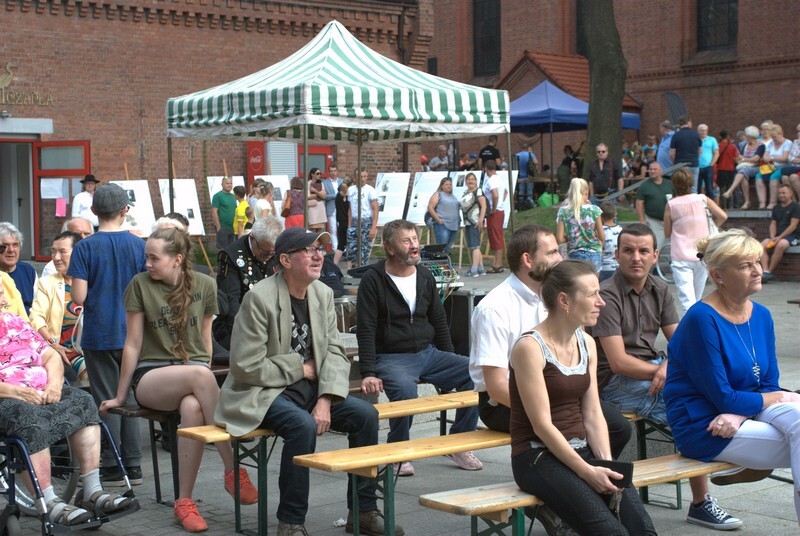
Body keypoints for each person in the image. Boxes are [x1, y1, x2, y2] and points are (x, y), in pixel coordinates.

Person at [216, 227, 402, 536]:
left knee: (366, 415)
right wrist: (300, 369)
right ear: (285, 260)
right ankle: (290, 522)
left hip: (312, 390)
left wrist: (325, 399)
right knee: (301, 426)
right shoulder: (258, 298)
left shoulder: (322, 293)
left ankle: (363, 511)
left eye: (321, 250)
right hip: (264, 391)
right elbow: (246, 366)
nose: (319, 256)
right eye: (309, 250)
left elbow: (335, 352)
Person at [470, 226, 632, 535]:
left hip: (556, 395)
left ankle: (577, 489)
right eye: (553, 252)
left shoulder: (555, 297)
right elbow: (495, 386)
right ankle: (561, 496)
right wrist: (550, 407)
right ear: (528, 260)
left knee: (617, 425)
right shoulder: (494, 307)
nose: (561, 258)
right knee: (567, 427)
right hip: (502, 405)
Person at [99, 226, 257, 532]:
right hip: (151, 376)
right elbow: (132, 343)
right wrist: (120, 396)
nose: (147, 264)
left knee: (193, 408)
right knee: (201, 374)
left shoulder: (205, 284)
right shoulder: (140, 285)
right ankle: (232, 468)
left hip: (193, 373)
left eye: (154, 258)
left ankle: (184, 502)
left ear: (177, 259)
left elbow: (206, 340)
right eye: (146, 257)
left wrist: (202, 377)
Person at [593, 223, 741, 530]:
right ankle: (703, 499)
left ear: (654, 256)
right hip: (613, 385)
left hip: (652, 372)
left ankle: (724, 463)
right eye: (628, 250)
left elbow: (683, 343)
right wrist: (666, 369)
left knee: (711, 384)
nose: (636, 257)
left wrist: (670, 365)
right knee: (690, 407)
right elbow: (618, 362)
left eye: (643, 251)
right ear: (617, 255)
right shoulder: (606, 294)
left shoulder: (659, 288)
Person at [664, 229, 800, 528]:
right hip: (704, 425)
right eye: (745, 266)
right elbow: (723, 396)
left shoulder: (761, 315)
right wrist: (772, 399)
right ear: (718, 275)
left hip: (741, 413)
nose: (757, 270)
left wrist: (740, 413)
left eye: (757, 261)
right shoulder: (702, 319)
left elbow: (768, 383)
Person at [510, 260, 656, 536]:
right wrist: (588, 472)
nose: (601, 302)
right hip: (536, 456)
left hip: (581, 449)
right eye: (592, 295)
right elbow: (542, 426)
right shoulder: (529, 347)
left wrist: (606, 464)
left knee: (643, 529)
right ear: (564, 301)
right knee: (612, 532)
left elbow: (592, 412)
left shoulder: (586, 342)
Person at [0, 289, 135, 526]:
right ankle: (49, 502)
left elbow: (51, 356)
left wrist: (53, 384)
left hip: (42, 391)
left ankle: (92, 491)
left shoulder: (14, 321)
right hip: (8, 397)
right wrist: (17, 392)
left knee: (83, 402)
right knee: (28, 418)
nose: (3, 296)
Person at [357, 220, 481, 476]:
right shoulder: (373, 280)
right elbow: (366, 328)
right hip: (391, 357)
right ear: (390, 248)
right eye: (406, 241)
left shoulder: (424, 275)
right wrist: (368, 371)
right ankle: (399, 451)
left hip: (428, 354)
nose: (414, 245)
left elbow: (438, 320)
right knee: (405, 391)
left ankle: (459, 442)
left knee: (476, 372)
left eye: (415, 239)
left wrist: (449, 356)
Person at [68, 183, 146, 487]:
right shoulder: (139, 246)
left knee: (106, 398)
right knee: (131, 396)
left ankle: (113, 464)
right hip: (134, 333)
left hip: (99, 332)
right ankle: (134, 464)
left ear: (93, 210)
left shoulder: (84, 247)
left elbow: (78, 296)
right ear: (125, 210)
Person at [664, 167, 727, 313]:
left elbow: (667, 232)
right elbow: (723, 216)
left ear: (674, 184)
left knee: (687, 300)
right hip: (702, 253)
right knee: (696, 299)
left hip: (680, 256)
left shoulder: (671, 205)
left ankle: (692, 324)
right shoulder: (702, 199)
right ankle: (696, 323)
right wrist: (711, 227)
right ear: (691, 182)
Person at [214, 217, 283, 350]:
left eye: (273, 253)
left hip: (272, 323)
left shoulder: (277, 252)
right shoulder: (231, 256)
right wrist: (251, 335)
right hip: (240, 325)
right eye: (264, 252)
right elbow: (231, 302)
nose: (269, 257)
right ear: (252, 238)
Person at [29, 231, 88, 383]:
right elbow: (36, 317)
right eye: (53, 252)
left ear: (78, 253)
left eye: (62, 252)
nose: (56, 257)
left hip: (93, 348)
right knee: (88, 372)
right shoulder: (47, 283)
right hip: (64, 350)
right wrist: (52, 344)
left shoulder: (92, 281)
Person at [556, 178, 605, 272]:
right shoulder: (595, 210)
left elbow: (559, 239)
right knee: (593, 280)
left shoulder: (563, 211)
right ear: (586, 193)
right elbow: (602, 236)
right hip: (594, 253)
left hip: (574, 254)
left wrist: (570, 237)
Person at [760, 183, 800, 282]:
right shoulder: (776, 208)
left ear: (790, 194)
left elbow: (793, 226)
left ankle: (769, 272)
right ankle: (765, 271)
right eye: (779, 193)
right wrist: (773, 237)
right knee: (761, 245)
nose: (781, 195)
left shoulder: (796, 207)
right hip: (778, 236)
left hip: (793, 237)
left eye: (784, 193)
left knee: (781, 244)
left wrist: (780, 237)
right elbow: (773, 224)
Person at [721, 125, 764, 210]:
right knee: (743, 175)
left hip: (756, 167)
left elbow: (756, 159)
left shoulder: (761, 146)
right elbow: (740, 156)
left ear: (751, 136)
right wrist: (741, 159)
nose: (746, 138)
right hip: (746, 168)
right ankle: (747, 201)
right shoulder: (745, 145)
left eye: (747, 136)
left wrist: (744, 159)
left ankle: (730, 190)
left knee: (743, 170)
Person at [0, 222, 39, 314]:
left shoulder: (28, 270)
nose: (11, 250)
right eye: (5, 246)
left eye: (15, 245)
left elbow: (38, 307)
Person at [636, 161, 675, 250]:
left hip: (671, 221)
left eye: (655, 169)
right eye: (650, 169)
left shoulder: (670, 184)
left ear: (661, 171)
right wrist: (642, 220)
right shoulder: (644, 185)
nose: (652, 171)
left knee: (676, 246)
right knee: (655, 246)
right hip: (654, 221)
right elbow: (639, 203)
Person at [346, 170, 378, 269]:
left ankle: (363, 272)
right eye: (360, 176)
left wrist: (373, 228)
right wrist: (349, 225)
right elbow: (350, 208)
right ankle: (352, 271)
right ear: (355, 177)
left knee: (363, 252)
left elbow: (375, 209)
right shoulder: (351, 190)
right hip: (354, 223)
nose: (363, 179)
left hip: (366, 223)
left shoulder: (370, 190)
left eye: (365, 176)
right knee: (352, 251)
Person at [459, 172, 486, 277]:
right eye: (468, 179)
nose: (470, 181)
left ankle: (474, 269)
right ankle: (481, 269)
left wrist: (480, 220)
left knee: (475, 246)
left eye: (472, 179)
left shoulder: (478, 191)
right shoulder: (466, 192)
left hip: (475, 222)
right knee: (475, 245)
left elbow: (483, 206)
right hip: (468, 222)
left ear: (476, 181)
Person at [760, 124, 792, 210]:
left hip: (783, 167)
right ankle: (762, 202)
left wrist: (771, 158)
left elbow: (784, 158)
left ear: (781, 134)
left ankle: (773, 202)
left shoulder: (788, 143)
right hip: (770, 166)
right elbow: (764, 156)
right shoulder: (771, 143)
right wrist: (771, 160)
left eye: (775, 137)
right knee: (758, 176)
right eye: (772, 137)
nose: (773, 139)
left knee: (774, 176)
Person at [483, 160, 507, 273]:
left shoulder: (491, 180)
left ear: (486, 168)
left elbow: (495, 195)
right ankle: (498, 263)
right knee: (498, 236)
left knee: (496, 237)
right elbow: (505, 192)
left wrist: (493, 208)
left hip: (495, 212)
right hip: (500, 210)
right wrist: (501, 203)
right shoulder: (499, 178)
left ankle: (497, 265)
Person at [427, 177, 461, 254]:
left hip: (454, 225)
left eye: (450, 184)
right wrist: (438, 220)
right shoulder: (438, 194)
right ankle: (441, 261)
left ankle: (446, 261)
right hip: (443, 225)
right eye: (446, 184)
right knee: (441, 248)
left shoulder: (453, 196)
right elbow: (430, 207)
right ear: (442, 186)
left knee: (448, 248)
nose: (449, 186)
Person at [670, 115, 702, 192]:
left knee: (681, 188)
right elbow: (700, 151)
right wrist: (694, 158)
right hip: (694, 164)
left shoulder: (676, 136)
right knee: (693, 188)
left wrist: (675, 163)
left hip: (680, 165)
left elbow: (671, 154)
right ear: (689, 121)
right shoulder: (696, 135)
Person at [715, 131, 741, 210]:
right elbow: (736, 159)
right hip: (731, 170)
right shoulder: (733, 147)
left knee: (722, 189)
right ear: (727, 137)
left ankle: (724, 207)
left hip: (721, 170)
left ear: (720, 137)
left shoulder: (718, 146)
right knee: (729, 189)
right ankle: (730, 206)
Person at [599, 202, 622, 282]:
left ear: (600, 216)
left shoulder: (600, 231)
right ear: (615, 214)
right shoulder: (621, 230)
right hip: (619, 267)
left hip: (604, 268)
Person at [697, 124, 720, 199]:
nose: (703, 132)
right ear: (698, 131)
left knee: (709, 188)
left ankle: (711, 204)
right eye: (702, 130)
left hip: (708, 166)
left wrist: (712, 164)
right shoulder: (695, 139)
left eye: (705, 130)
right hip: (697, 167)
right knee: (698, 188)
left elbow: (716, 153)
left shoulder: (712, 140)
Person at [323, 165, 342, 251]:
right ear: (328, 172)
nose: (333, 173)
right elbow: (324, 196)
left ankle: (342, 249)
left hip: (341, 208)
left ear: (337, 171)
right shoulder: (325, 183)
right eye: (331, 171)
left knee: (342, 229)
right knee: (333, 229)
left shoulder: (342, 181)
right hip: (331, 209)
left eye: (334, 170)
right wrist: (336, 195)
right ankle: (335, 249)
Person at [306, 168, 328, 232]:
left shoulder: (321, 183)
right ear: (312, 174)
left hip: (320, 208)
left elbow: (324, 196)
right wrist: (319, 194)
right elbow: (307, 196)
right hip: (312, 208)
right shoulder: (308, 183)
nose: (319, 175)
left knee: (319, 229)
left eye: (320, 173)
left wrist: (315, 191)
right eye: (317, 173)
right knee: (312, 229)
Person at [333, 181, 349, 265]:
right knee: (351, 245)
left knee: (340, 245)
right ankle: (350, 267)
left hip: (341, 223)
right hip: (349, 222)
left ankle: (334, 265)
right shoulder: (349, 198)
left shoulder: (337, 197)